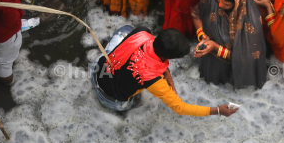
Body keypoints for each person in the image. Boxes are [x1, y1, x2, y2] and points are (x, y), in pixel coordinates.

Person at [91, 26, 238, 117]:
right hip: (111, 99)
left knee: (126, 30)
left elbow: (147, 58)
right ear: (169, 57)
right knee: (133, 101)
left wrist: (166, 73)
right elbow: (180, 108)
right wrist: (218, 111)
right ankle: (121, 108)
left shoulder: (142, 32)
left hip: (98, 69)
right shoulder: (153, 80)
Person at [192, 0, 267, 89]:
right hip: (212, 63)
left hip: (235, 71)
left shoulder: (252, 23)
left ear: (237, 2)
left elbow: (245, 59)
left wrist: (215, 47)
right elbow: (196, 14)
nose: (220, 5)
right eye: (218, 0)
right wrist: (201, 34)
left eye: (226, 4)